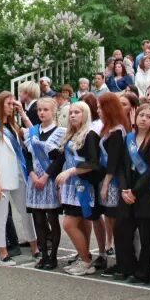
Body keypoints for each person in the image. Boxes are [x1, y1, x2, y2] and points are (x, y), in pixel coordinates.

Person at [0, 92, 35, 266]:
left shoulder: (13, 125)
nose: (11, 107)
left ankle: (35, 246)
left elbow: (32, 134)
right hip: (2, 176)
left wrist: (22, 113)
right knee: (1, 214)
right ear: (0, 105)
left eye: (13, 104)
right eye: (8, 104)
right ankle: (3, 252)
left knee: (26, 212)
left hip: (19, 173)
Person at [114, 104, 150, 283]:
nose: (143, 119)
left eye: (148, 116)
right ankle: (129, 267)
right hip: (128, 190)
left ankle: (144, 273)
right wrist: (125, 189)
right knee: (122, 231)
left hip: (145, 192)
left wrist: (135, 191)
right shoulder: (129, 138)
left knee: (147, 236)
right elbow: (122, 166)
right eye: (141, 115)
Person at [53, 102, 102, 275]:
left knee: (69, 224)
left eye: (77, 112)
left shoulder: (90, 135)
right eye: (71, 112)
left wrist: (71, 171)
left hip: (84, 185)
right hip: (71, 185)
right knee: (79, 223)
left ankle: (87, 261)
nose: (73, 115)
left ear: (85, 114)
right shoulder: (70, 134)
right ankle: (83, 257)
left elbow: (93, 163)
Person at [24, 97, 66, 270]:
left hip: (49, 180)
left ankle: (53, 256)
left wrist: (46, 176)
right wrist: (33, 174)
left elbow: (60, 159)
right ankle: (43, 255)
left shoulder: (60, 132)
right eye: (39, 110)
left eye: (45, 110)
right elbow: (27, 156)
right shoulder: (31, 132)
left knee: (52, 218)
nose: (41, 112)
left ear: (53, 111)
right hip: (34, 180)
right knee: (38, 219)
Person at [97, 93, 130, 277]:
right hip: (109, 179)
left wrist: (106, 183)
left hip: (115, 182)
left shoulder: (117, 132)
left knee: (117, 223)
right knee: (111, 220)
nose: (99, 111)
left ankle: (122, 262)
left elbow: (114, 161)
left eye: (101, 108)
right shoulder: (110, 128)